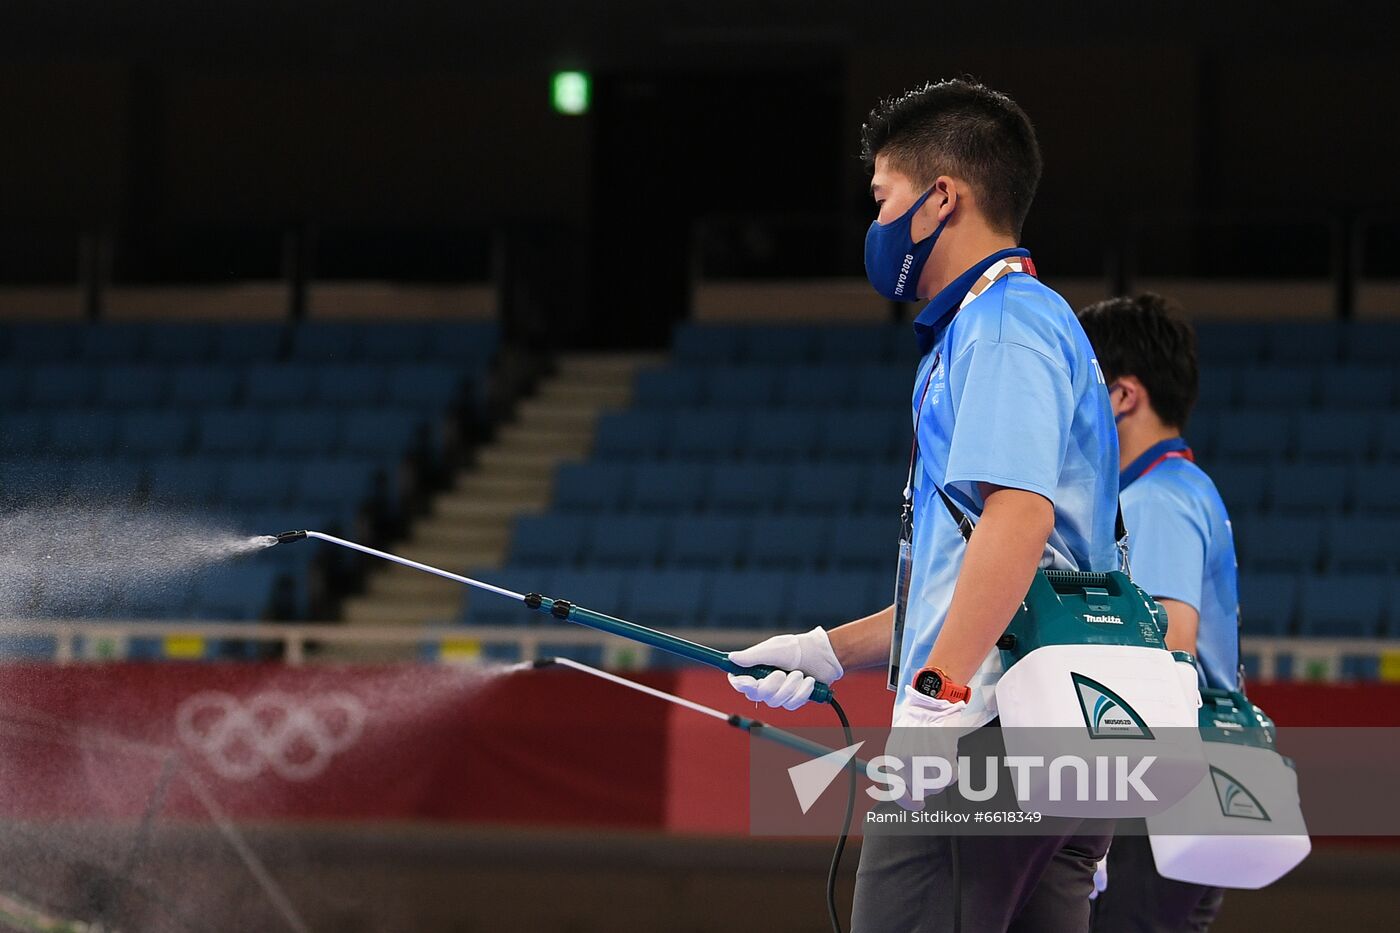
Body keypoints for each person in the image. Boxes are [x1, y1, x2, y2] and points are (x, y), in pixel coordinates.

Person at [725, 79, 1120, 932]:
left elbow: (1018, 523)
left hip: (989, 728)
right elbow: (999, 574)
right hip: (1065, 731)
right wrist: (827, 650)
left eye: (882, 197)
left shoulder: (1003, 326)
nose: (875, 225)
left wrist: (936, 698)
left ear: (943, 197)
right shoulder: (1029, 322)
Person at [1077, 293, 1239, 932]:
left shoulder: (1157, 498)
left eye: (1081, 387)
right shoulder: (1187, 487)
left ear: (1121, 396)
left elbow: (1172, 638)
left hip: (1162, 797)